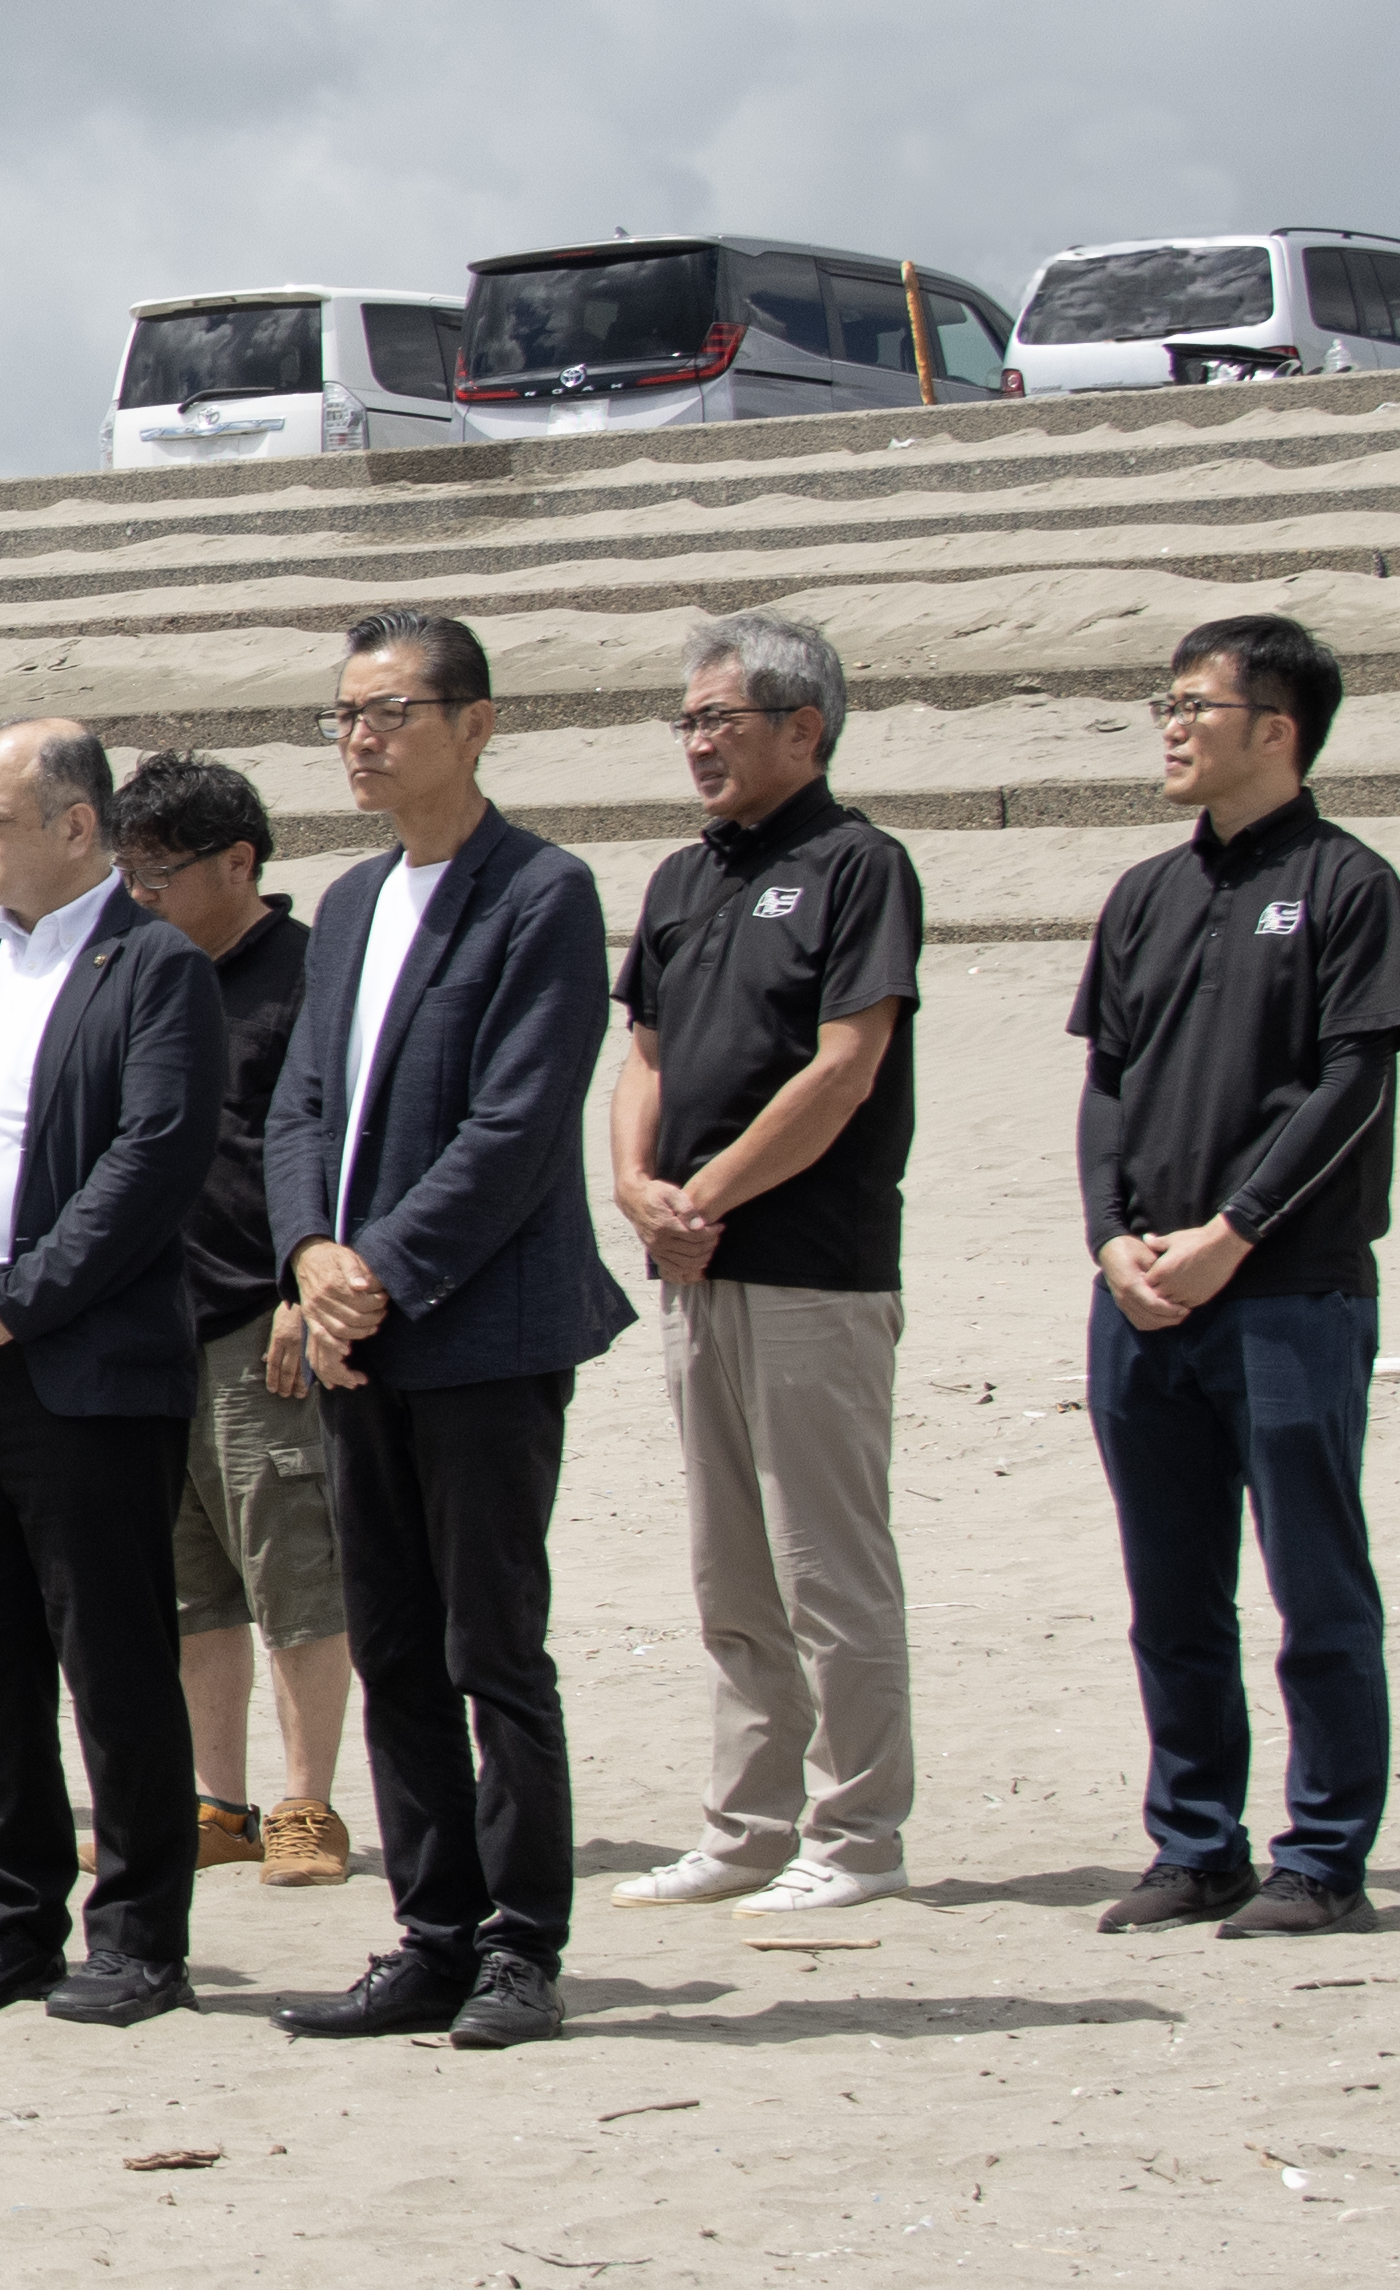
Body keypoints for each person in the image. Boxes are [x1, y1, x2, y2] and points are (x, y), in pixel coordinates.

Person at [260, 611, 636, 2050]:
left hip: (481, 1328)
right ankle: (431, 1928)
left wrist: (378, 1272)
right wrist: (308, 1260)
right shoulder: (351, 903)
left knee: (495, 1646)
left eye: (392, 712)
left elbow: (517, 1125)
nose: (363, 738)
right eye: (346, 715)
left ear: (476, 725)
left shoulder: (540, 892)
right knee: (396, 1645)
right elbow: (301, 1104)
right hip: (356, 1328)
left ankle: (521, 1944)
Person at [0, 720, 227, 2023]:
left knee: (114, 1664)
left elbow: (151, 1163)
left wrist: (19, 1300)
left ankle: (137, 1938)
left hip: (86, 1373)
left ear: (78, 826)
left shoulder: (154, 967)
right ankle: (9, 1924)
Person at [1069, 611, 1400, 1939]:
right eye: (1161, 703)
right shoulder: (1146, 895)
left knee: (1315, 1585)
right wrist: (1112, 1239)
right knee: (1171, 1592)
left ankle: (1325, 1860)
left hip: (1287, 1293)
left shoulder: (1347, 884)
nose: (1169, 725)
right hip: (1143, 1295)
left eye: (1194, 705)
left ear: (1273, 729)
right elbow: (1106, 1081)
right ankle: (1195, 1844)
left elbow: (1350, 1083)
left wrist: (1235, 1232)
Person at [609, 615, 926, 1920]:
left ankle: (857, 1836)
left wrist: (711, 1194)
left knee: (824, 1564)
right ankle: (748, 1825)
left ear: (804, 728)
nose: (696, 745)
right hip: (691, 1271)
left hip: (811, 1266)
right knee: (729, 1567)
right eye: (684, 723)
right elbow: (645, 1052)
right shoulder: (685, 881)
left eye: (718, 721)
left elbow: (845, 1066)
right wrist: (636, 1190)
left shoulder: (860, 867)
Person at [103, 757, 357, 1889]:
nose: (137, 889)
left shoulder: (309, 976)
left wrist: (309, 1290)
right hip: (150, 1323)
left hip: (266, 1319)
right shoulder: (134, 974)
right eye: (126, 867)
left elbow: (338, 1140)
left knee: (293, 1564)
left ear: (239, 862)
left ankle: (309, 1801)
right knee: (187, 1579)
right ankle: (222, 1799)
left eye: (159, 869)